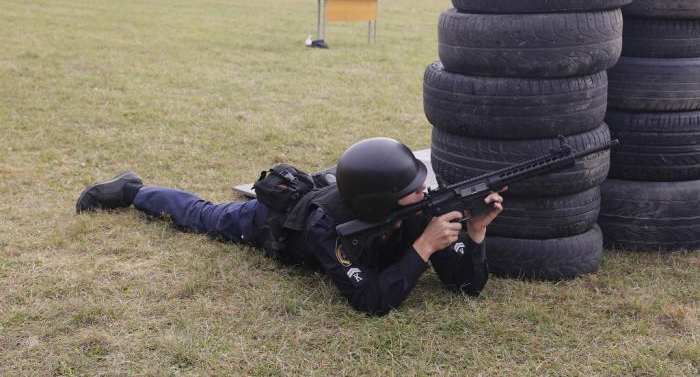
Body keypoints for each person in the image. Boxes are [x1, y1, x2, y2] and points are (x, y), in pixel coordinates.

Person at [76, 137, 504, 316]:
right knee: (205, 216)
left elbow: (465, 286)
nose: (423, 192)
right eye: (412, 189)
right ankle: (132, 190)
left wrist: (476, 234)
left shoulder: (415, 209)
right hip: (271, 225)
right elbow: (370, 301)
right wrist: (422, 248)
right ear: (381, 201)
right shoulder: (327, 227)